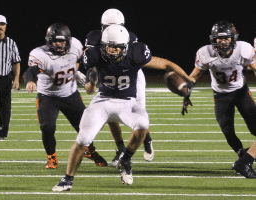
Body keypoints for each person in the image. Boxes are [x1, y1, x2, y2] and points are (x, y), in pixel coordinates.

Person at [52, 25, 194, 191]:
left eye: (117, 47)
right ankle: (67, 179)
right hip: (103, 101)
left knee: (143, 124)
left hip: (128, 102)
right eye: (109, 47)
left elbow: (167, 65)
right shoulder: (93, 54)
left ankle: (125, 159)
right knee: (83, 139)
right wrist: (91, 78)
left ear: (125, 47)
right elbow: (90, 90)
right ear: (103, 44)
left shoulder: (137, 53)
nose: (112, 51)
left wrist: (189, 80)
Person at [23, 23, 107, 169]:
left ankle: (90, 151)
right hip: (48, 97)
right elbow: (31, 71)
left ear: (68, 40)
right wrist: (30, 81)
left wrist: (76, 71)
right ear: (49, 41)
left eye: (63, 41)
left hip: (70, 94)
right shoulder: (40, 54)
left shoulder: (75, 45)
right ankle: (52, 158)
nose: (60, 44)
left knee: (85, 127)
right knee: (47, 127)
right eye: (56, 41)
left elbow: (81, 59)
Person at [85, 8, 154, 165]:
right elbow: (90, 58)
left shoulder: (131, 38)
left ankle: (146, 139)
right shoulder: (94, 37)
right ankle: (120, 148)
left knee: (138, 111)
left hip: (130, 76)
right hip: (107, 74)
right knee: (109, 111)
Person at [183, 21, 256, 160]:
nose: (223, 42)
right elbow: (194, 76)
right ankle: (242, 155)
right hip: (221, 96)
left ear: (233, 38)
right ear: (214, 39)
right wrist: (187, 93)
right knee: (227, 130)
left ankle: (249, 155)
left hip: (241, 93)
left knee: (254, 126)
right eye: (220, 38)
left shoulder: (243, 48)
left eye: (226, 38)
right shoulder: (205, 53)